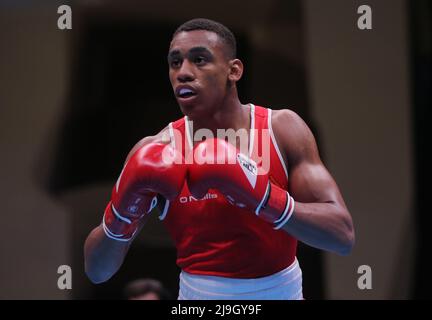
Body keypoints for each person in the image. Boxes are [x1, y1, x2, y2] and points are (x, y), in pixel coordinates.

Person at [84, 18, 355, 300]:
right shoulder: (158, 150)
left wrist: (263, 197)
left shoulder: (281, 129)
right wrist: (121, 216)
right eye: (175, 62)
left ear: (233, 70)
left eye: (199, 59)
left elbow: (342, 236)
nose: (183, 73)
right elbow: (97, 271)